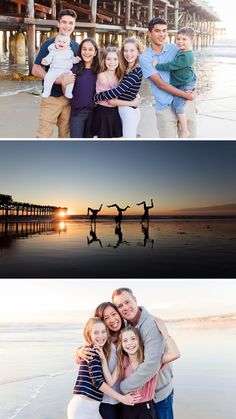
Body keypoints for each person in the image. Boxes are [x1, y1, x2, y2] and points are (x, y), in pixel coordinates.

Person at [112, 287, 176, 419]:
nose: (125, 307)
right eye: (120, 305)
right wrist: (83, 350)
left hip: (159, 395)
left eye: (127, 302)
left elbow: (151, 365)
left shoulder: (150, 325)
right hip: (141, 398)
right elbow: (102, 335)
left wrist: (123, 387)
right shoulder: (126, 325)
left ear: (135, 300)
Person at [98, 323, 180, 419]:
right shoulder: (123, 361)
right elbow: (110, 381)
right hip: (127, 409)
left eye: (133, 339)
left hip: (146, 410)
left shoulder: (151, 361)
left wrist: (165, 333)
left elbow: (175, 354)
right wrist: (103, 360)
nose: (129, 343)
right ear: (122, 344)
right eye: (125, 340)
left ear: (139, 341)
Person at [68, 317, 139, 419]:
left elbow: (109, 382)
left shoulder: (99, 352)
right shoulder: (91, 351)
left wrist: (104, 361)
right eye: (96, 332)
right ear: (89, 334)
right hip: (82, 408)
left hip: (93, 408)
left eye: (103, 331)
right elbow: (98, 382)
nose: (100, 336)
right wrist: (122, 398)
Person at [139, 17, 196, 138]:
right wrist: (187, 95)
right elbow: (161, 84)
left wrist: (194, 91)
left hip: (185, 105)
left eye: (164, 31)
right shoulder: (145, 58)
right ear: (149, 33)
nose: (162, 34)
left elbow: (189, 68)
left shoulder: (175, 49)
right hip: (166, 108)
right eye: (157, 31)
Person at [32, 8, 78, 138]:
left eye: (70, 23)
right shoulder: (49, 44)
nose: (67, 26)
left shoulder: (76, 46)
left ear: (74, 25)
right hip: (51, 98)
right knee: (44, 135)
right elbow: (35, 69)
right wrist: (57, 80)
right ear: (58, 23)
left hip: (69, 99)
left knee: (65, 135)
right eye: (64, 22)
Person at [75, 304, 125, 419]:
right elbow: (81, 360)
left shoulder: (127, 338)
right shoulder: (98, 346)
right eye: (106, 318)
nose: (112, 320)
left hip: (121, 400)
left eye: (114, 314)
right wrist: (79, 351)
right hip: (103, 402)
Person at [94, 38, 143, 138]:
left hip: (129, 111)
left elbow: (118, 91)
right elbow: (127, 89)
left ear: (138, 51)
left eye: (132, 50)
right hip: (120, 110)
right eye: (126, 50)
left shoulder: (136, 71)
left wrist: (97, 97)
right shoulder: (124, 70)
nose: (128, 54)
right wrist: (135, 95)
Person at [153, 27, 196, 138]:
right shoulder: (182, 52)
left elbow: (171, 66)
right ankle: (192, 105)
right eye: (178, 39)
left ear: (192, 40)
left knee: (177, 105)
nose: (180, 41)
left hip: (184, 83)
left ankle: (185, 130)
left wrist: (156, 65)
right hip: (185, 80)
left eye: (184, 39)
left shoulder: (186, 56)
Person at [70, 38, 100, 138]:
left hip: (95, 112)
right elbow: (66, 91)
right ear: (80, 51)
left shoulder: (100, 70)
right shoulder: (74, 68)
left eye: (90, 49)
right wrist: (64, 83)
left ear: (95, 53)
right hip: (77, 113)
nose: (87, 52)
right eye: (84, 49)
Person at [92, 46, 123, 138]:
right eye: (108, 59)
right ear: (104, 60)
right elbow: (111, 101)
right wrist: (133, 102)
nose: (112, 62)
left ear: (119, 61)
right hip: (104, 113)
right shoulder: (102, 76)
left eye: (115, 59)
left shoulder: (120, 76)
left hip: (116, 112)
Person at [41, 34, 80, 99]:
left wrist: (77, 59)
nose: (61, 43)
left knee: (71, 78)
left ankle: (68, 92)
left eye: (64, 42)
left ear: (68, 45)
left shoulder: (70, 52)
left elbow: (73, 60)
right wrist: (45, 61)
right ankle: (47, 91)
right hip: (55, 70)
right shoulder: (53, 51)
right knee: (48, 77)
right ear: (55, 43)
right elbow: (49, 58)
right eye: (59, 41)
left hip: (66, 71)